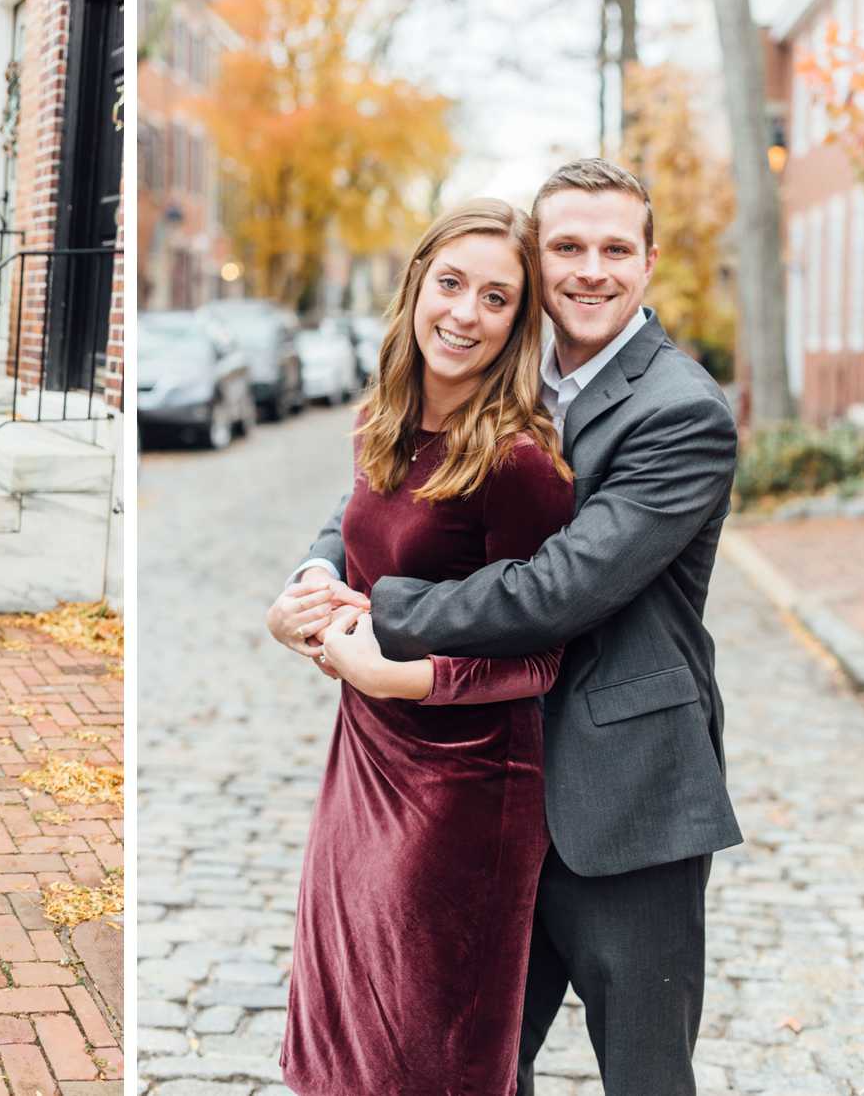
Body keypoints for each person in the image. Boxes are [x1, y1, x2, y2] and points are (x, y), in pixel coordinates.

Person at [272, 159, 741, 1096]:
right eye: (566, 247)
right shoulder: (503, 357)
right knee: (463, 1067)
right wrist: (320, 571)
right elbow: (393, 480)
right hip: (482, 795)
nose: (590, 270)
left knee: (646, 1075)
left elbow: (557, 587)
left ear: (650, 262)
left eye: (615, 249)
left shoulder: (682, 412)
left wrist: (381, 614)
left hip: (619, 796)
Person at [267, 198, 576, 1093]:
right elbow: (349, 551)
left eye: (495, 299)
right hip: (359, 764)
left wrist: (400, 677)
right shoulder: (381, 425)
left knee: (426, 1055)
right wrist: (297, 605)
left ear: (518, 323)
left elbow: (538, 656)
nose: (465, 314)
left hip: (465, 794)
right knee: (342, 1032)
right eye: (450, 284)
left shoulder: (517, 462)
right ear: (415, 289)